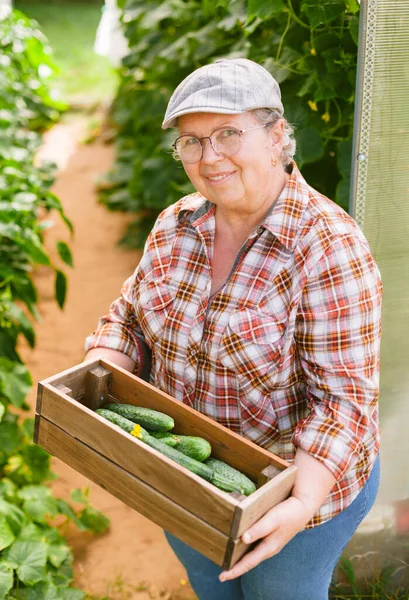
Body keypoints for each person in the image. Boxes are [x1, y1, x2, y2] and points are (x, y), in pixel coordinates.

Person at [84, 58, 382, 600]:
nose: (209, 156)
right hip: (191, 474)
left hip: (300, 486)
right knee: (211, 587)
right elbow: (128, 315)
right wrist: (99, 373)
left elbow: (343, 403)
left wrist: (299, 501)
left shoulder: (328, 248)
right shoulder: (176, 224)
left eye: (228, 133)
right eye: (191, 141)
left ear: (276, 136)